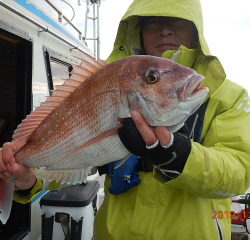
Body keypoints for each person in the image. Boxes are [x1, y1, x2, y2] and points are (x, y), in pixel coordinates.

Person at [1, 0, 250, 239]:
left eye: (177, 19)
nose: (164, 30)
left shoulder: (228, 95)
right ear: (137, 31)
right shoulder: (110, 79)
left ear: (197, 30)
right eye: (152, 22)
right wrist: (29, 179)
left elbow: (240, 171)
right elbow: (82, 156)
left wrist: (181, 157)